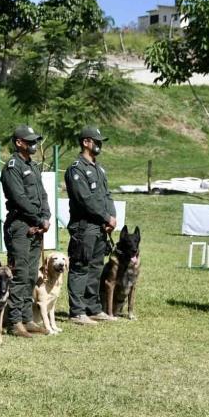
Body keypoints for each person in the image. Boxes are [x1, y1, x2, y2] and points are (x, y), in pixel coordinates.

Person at [0, 125, 51, 337]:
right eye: (30, 141)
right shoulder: (13, 167)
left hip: (36, 227)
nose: (34, 145)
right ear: (19, 143)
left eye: (35, 141)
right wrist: (38, 218)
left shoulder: (34, 166)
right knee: (19, 274)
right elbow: (19, 199)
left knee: (31, 275)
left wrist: (46, 216)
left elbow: (42, 195)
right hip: (20, 226)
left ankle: (26, 317)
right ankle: (14, 322)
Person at [65, 126, 117, 325]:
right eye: (97, 141)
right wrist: (105, 217)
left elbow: (106, 195)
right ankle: (77, 311)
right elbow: (85, 199)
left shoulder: (99, 168)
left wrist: (111, 216)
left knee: (95, 267)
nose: (99, 145)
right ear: (86, 142)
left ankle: (92, 307)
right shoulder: (76, 169)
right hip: (84, 227)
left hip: (100, 227)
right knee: (80, 266)